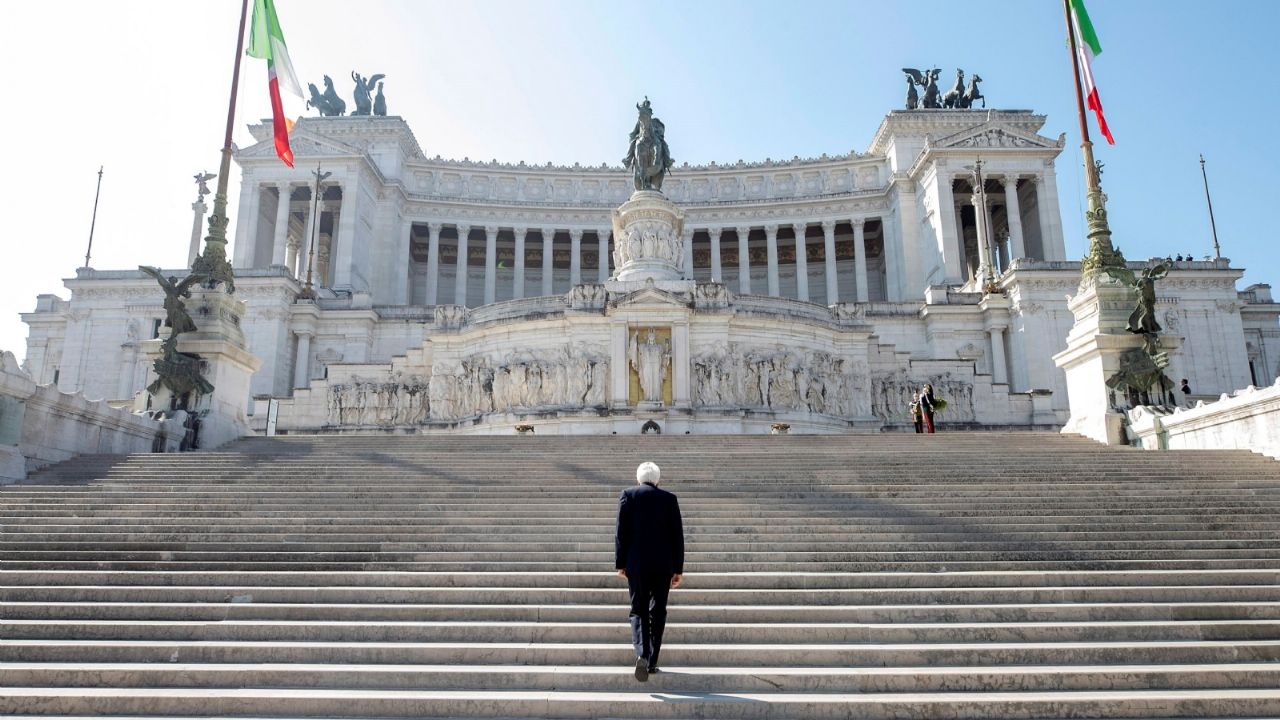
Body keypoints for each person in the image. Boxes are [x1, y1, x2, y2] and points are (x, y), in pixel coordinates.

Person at [615, 461, 684, 682]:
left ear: (638, 478)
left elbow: (621, 533)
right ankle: (652, 661)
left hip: (636, 564)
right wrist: (678, 568)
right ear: (658, 480)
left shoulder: (628, 495)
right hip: (663, 565)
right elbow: (677, 536)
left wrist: (621, 563)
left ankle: (641, 654)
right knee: (658, 611)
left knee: (638, 610)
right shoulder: (669, 499)